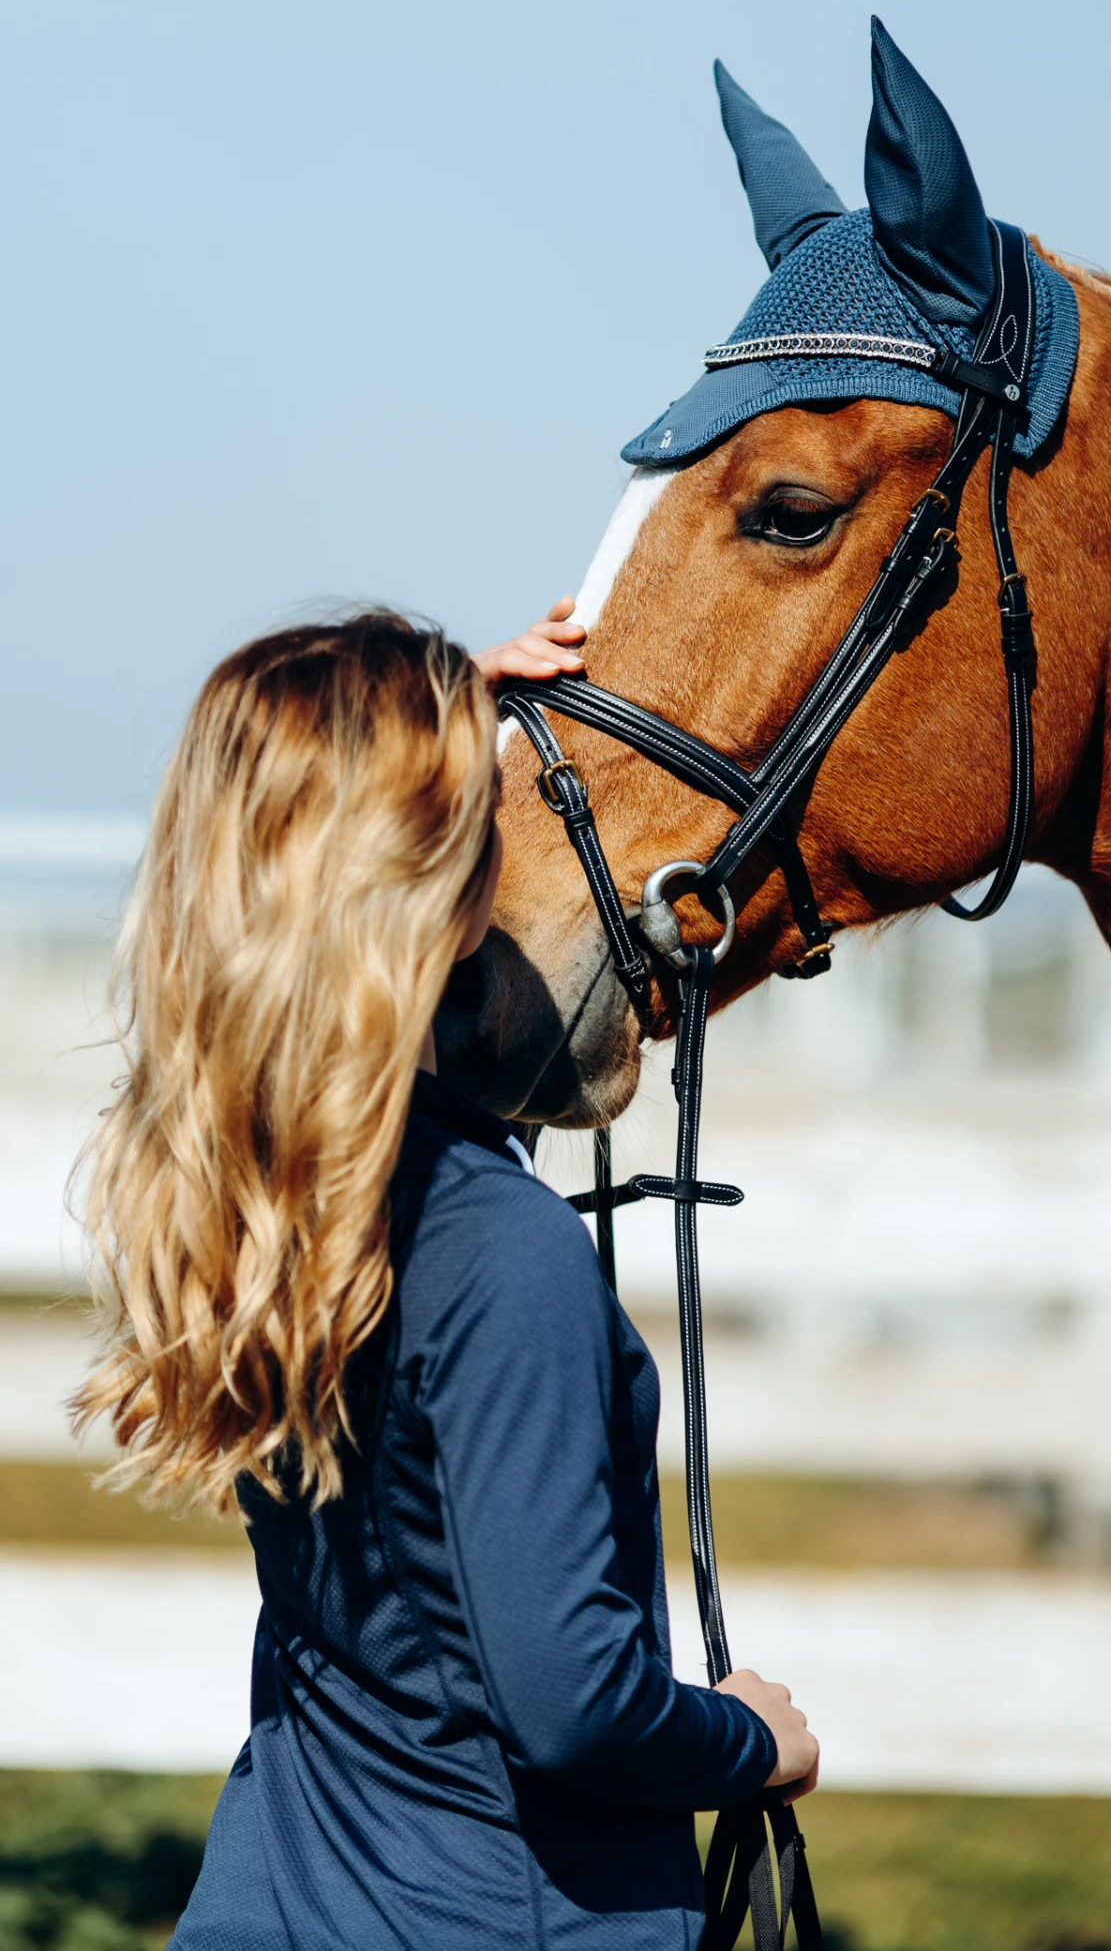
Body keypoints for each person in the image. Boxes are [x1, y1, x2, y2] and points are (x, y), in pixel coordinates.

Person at [73, 604, 817, 1951]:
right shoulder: (497, 1249)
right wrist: (747, 1740)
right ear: (452, 888)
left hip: (283, 1905)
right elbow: (570, 1693)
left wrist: (419, 720)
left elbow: (263, 835)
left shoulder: (264, 1202)